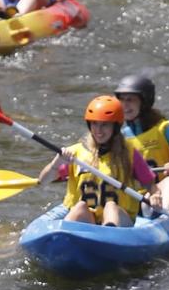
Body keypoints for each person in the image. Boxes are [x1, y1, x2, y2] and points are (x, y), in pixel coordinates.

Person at [39, 95, 157, 227]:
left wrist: (155, 195)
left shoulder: (129, 154)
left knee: (111, 206)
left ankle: (109, 236)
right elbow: (43, 181)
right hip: (89, 222)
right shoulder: (75, 154)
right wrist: (56, 163)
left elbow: (150, 185)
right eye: (94, 124)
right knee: (80, 207)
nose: (98, 130)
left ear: (115, 127)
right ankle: (63, 238)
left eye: (104, 125)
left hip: (121, 223)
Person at [116, 72, 169, 214]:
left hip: (162, 189)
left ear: (144, 102)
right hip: (137, 195)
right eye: (121, 100)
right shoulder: (119, 136)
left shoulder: (164, 128)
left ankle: (164, 215)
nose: (124, 105)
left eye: (130, 100)